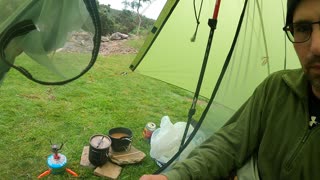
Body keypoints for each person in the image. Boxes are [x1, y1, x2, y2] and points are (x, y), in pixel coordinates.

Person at [140, 0, 320, 179]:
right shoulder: (278, 87)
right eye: (303, 28)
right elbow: (230, 143)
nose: (316, 47)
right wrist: (174, 177)